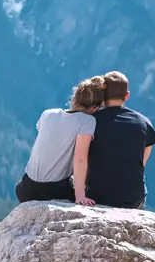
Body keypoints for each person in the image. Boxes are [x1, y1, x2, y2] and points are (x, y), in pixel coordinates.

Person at [15, 77, 105, 205]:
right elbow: (80, 159)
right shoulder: (87, 121)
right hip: (53, 190)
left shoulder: (47, 114)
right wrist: (80, 196)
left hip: (26, 188)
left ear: (75, 98)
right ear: (95, 108)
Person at [86, 71, 155, 209]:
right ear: (127, 96)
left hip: (97, 196)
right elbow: (141, 161)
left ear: (102, 97)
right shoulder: (144, 123)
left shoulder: (90, 122)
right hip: (133, 198)